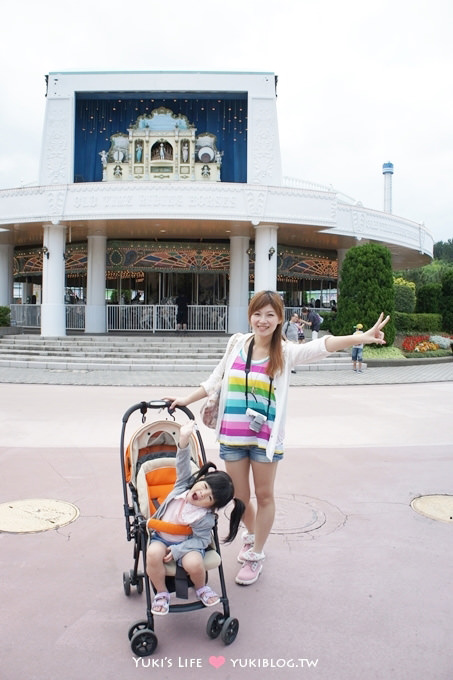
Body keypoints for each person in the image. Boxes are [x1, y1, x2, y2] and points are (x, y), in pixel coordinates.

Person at [166, 290, 389, 586]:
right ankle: (254, 534)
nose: (263, 320)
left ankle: (256, 553)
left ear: (280, 319)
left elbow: (322, 345)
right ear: (250, 316)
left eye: (270, 314)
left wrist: (360, 337)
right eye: (258, 314)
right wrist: (185, 399)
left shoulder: (284, 351)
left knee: (265, 494)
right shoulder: (237, 343)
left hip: (265, 438)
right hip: (233, 434)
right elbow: (214, 381)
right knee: (239, 496)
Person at [146, 420, 245, 615]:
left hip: (188, 544)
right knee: (152, 554)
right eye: (205, 487)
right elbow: (182, 464)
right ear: (200, 480)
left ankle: (201, 587)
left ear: (211, 507)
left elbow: (201, 540)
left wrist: (178, 550)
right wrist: (183, 439)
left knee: (194, 564)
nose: (202, 494)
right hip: (160, 537)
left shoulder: (204, 517)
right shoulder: (182, 487)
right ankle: (162, 593)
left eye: (208, 498)